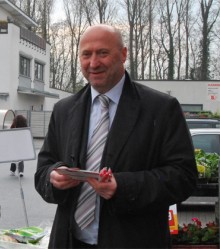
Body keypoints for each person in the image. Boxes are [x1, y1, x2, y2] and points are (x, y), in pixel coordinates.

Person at [34, 24, 197, 248]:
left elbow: (184, 178)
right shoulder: (64, 110)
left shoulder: (161, 108)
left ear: (123, 54)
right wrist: (53, 178)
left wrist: (122, 187)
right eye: (86, 54)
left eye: (103, 53)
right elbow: (43, 169)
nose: (93, 63)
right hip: (69, 241)